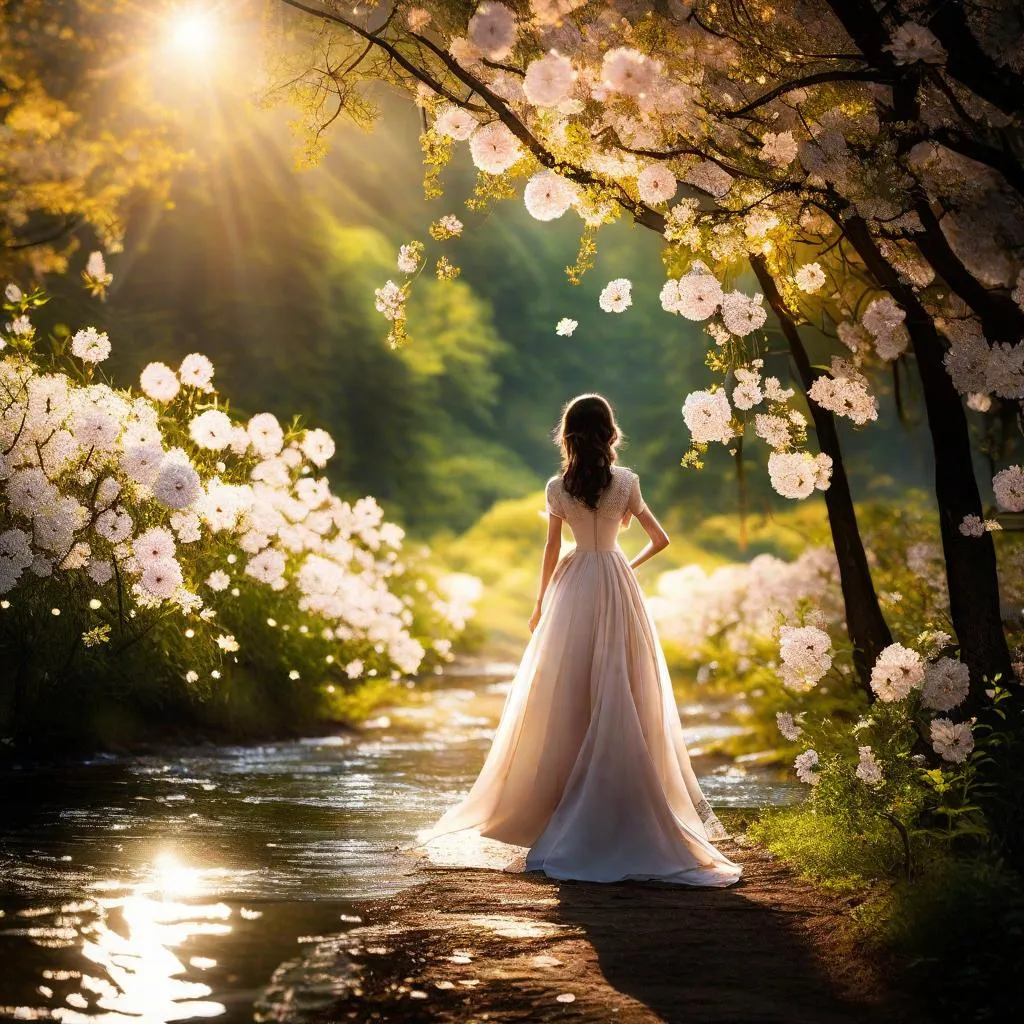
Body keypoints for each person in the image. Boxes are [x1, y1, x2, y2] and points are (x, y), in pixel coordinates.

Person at [418, 394, 741, 886]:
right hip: (614, 582)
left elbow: (552, 548)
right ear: (610, 432)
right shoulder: (627, 482)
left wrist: (539, 602)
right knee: (623, 687)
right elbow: (661, 539)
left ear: (567, 434)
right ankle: (619, 804)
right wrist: (623, 565)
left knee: (564, 692)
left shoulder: (557, 487)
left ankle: (557, 808)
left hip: (572, 587)